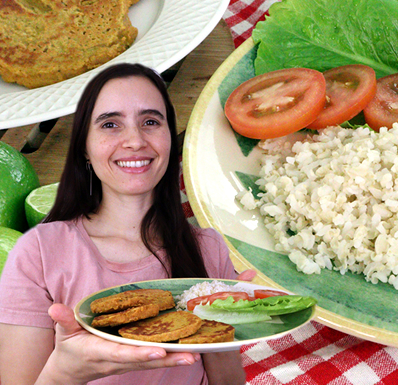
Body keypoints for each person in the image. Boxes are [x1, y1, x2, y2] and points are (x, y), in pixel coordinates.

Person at [0, 63, 253, 385]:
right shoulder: (39, 251)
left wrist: (227, 321)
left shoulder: (208, 246)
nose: (135, 140)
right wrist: (64, 372)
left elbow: (227, 380)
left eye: (150, 122)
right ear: (85, 149)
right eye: (110, 124)